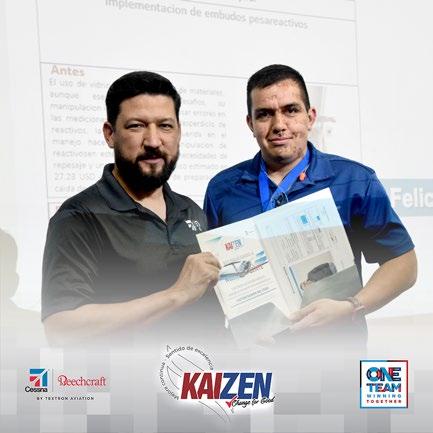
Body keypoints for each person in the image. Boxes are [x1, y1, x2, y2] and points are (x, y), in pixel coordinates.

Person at [204, 64, 417, 345]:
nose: (279, 125)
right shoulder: (222, 189)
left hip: (336, 357)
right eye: (264, 114)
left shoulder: (355, 180)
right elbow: (214, 279)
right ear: (250, 123)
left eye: (291, 110)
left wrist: (351, 306)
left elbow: (403, 264)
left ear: (310, 117)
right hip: (257, 358)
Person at [42, 71, 223, 346]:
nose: (153, 141)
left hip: (200, 371)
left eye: (165, 126)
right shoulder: (78, 216)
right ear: (110, 134)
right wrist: (176, 294)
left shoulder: (191, 210)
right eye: (137, 126)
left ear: (179, 132)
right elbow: (61, 329)